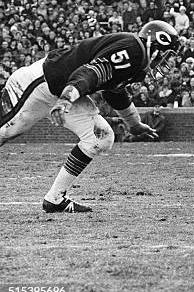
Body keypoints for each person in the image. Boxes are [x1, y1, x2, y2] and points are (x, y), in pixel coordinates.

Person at [0, 20, 179, 212]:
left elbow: (113, 92)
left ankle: (55, 198)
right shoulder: (133, 49)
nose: (164, 63)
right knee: (3, 133)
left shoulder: (136, 61)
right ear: (155, 44)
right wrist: (66, 99)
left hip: (65, 91)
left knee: (101, 136)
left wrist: (134, 124)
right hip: (40, 84)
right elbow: (91, 72)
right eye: (166, 55)